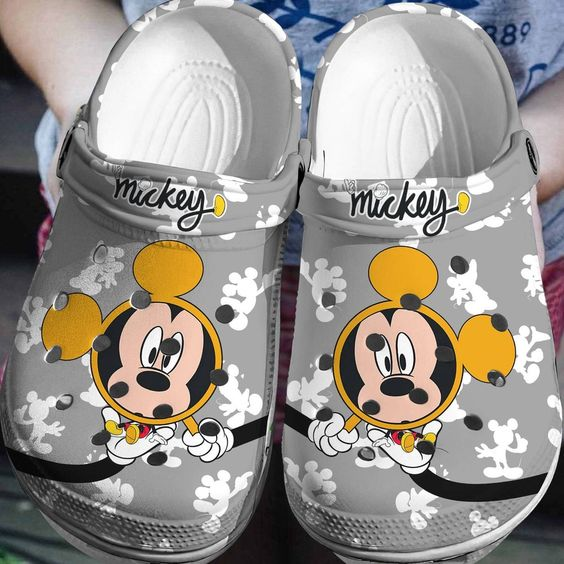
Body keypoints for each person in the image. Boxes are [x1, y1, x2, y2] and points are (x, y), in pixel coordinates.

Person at [1, 0, 562, 442]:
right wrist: (97, 101)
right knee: (182, 518)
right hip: (146, 218)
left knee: (371, 517)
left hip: (468, 244)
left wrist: (525, 163)